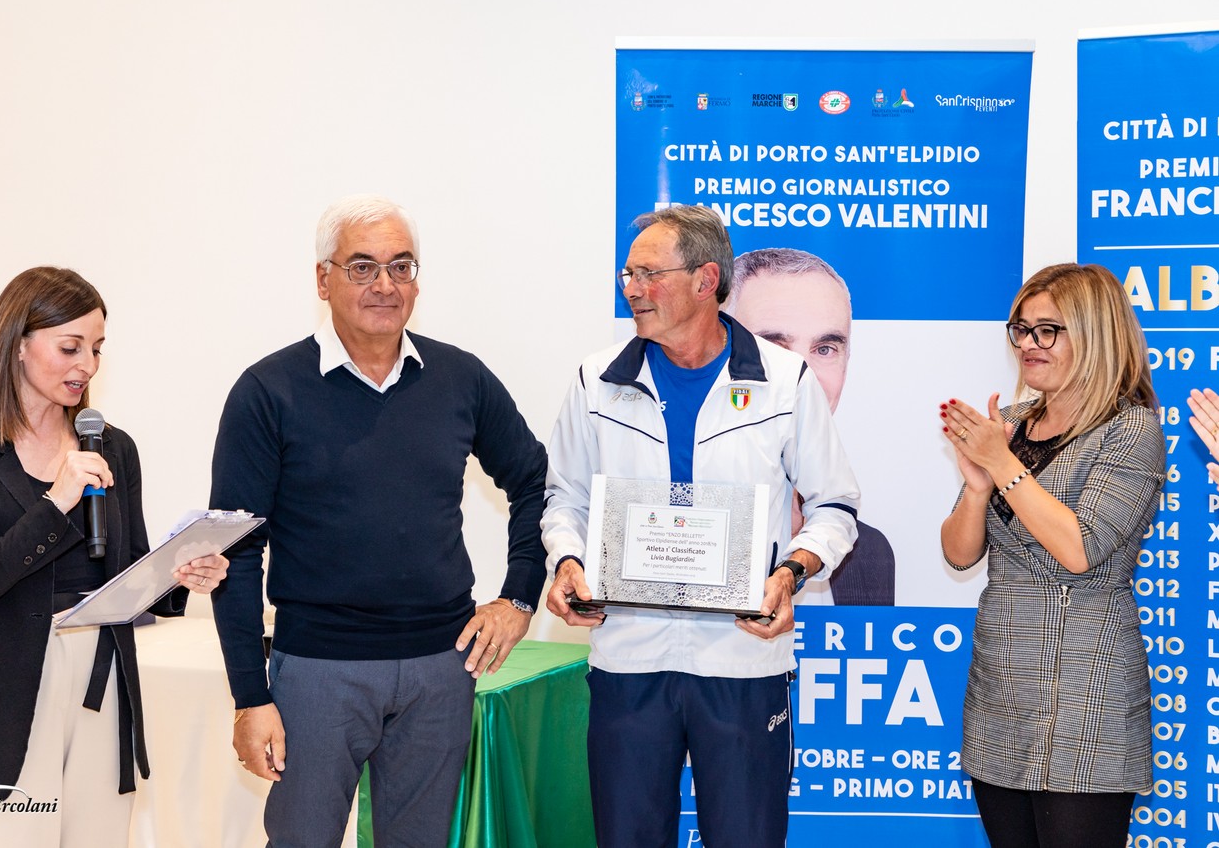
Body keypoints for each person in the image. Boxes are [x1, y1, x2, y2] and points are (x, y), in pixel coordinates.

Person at [209, 194, 548, 848]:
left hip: (441, 669)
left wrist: (518, 597)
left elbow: (535, 481)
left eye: (401, 266)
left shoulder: (461, 378)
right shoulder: (267, 391)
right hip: (317, 672)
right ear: (323, 279)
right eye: (362, 266)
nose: (385, 284)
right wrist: (250, 696)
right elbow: (235, 552)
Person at [542, 204, 860, 847]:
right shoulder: (596, 381)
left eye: (648, 274)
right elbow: (564, 498)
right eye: (628, 274)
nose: (632, 289)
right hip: (629, 657)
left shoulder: (784, 380)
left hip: (743, 660)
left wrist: (790, 575)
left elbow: (835, 506)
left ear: (705, 279)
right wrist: (568, 561)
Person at [0, 266, 228, 848]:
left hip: (102, 679)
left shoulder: (112, 447)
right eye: (70, 347)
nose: (87, 364)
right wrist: (56, 502)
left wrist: (186, 576)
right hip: (3, 687)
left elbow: (131, 567)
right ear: (17, 344)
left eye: (97, 348)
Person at [938, 263, 1163, 848]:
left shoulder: (1130, 429)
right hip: (1001, 685)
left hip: (1087, 686)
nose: (1028, 345)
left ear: (1095, 333)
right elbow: (959, 555)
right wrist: (977, 486)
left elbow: (1080, 549)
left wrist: (1002, 464)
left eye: (1048, 330)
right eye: (1020, 329)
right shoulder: (1010, 424)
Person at [724, 247, 896, 604]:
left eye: (825, 349)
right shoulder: (689, 530)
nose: (802, 375)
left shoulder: (870, 554)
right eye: (773, 347)